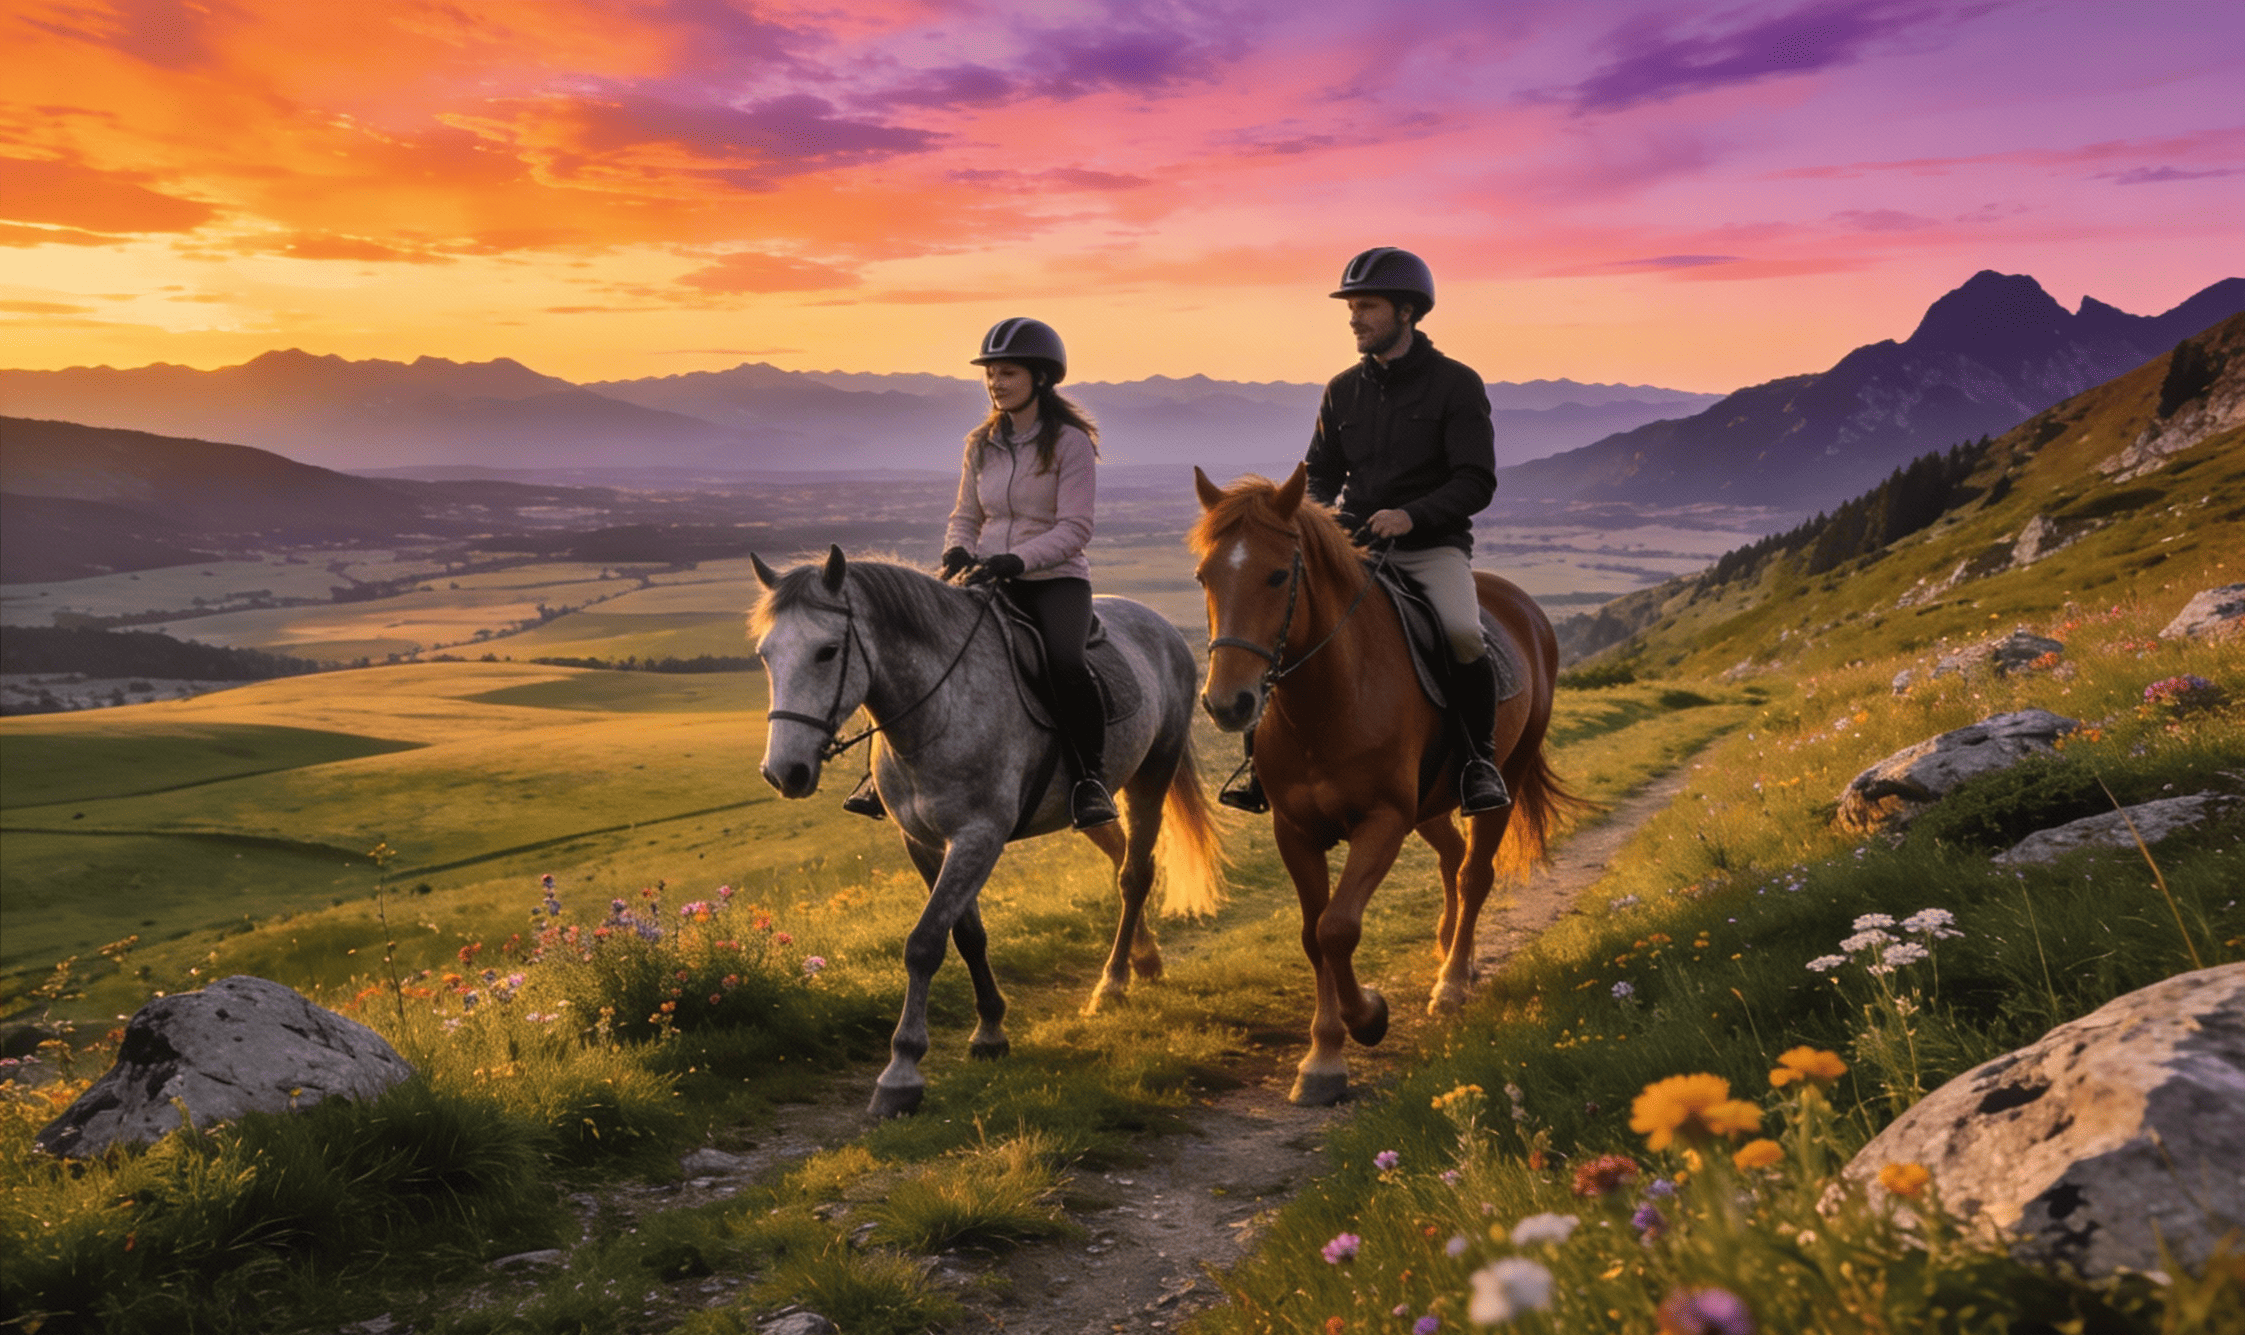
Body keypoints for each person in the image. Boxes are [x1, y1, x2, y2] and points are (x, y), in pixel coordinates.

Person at [1219, 247, 1512, 816]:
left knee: (1462, 633)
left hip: (1430, 547)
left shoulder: (1457, 385)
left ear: (1406, 311)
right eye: (1351, 307)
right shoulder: (1341, 389)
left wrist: (1413, 515)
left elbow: (1476, 480)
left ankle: (1479, 764)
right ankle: (1261, 769)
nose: (1354, 318)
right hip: (1352, 545)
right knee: (1284, 622)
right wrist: (1303, 522)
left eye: (1368, 306)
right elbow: (1322, 474)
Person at [845, 316, 1119, 829]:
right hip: (989, 575)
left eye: (1007, 373)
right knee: (907, 646)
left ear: (1040, 377)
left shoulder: (1070, 444)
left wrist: (1021, 559)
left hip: (1055, 581)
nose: (995, 383)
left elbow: (1076, 527)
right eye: (990, 374)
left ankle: (1090, 780)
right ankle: (877, 775)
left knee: (1064, 663)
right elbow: (966, 516)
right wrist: (956, 551)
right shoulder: (980, 443)